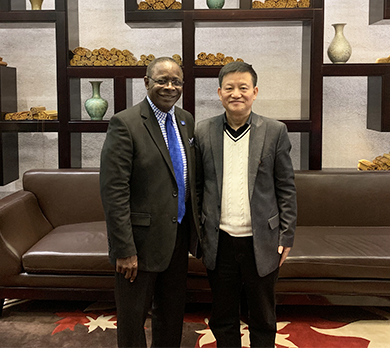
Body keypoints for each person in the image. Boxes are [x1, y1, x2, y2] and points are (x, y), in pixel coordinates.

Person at [195, 61, 297, 348]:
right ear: (219, 93)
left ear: (255, 92)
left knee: (262, 314)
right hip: (220, 240)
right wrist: (200, 233)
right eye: (229, 88)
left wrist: (286, 235)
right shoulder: (203, 131)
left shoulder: (275, 131)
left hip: (262, 239)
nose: (236, 93)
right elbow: (198, 187)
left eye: (243, 87)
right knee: (222, 313)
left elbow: (286, 187)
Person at [99, 57, 200, 348]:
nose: (170, 87)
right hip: (139, 243)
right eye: (162, 80)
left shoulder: (185, 120)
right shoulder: (125, 123)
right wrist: (124, 249)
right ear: (146, 82)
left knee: (171, 314)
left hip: (177, 236)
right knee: (133, 319)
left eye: (176, 82)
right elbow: (114, 191)